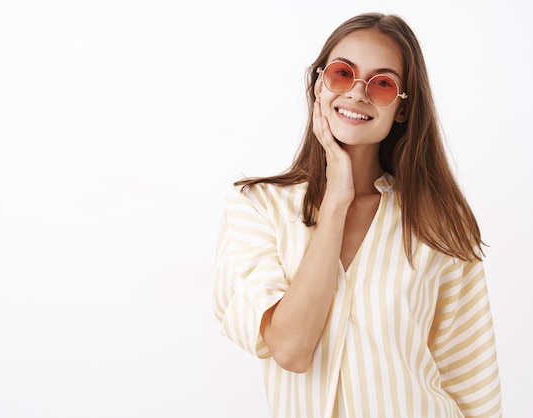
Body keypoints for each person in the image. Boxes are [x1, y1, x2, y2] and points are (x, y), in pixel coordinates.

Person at [212, 12, 502, 418]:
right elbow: (291, 349)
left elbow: (473, 382)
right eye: (342, 74)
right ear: (318, 85)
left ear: (402, 110)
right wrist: (336, 200)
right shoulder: (257, 208)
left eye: (383, 84)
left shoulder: (438, 221)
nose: (357, 93)